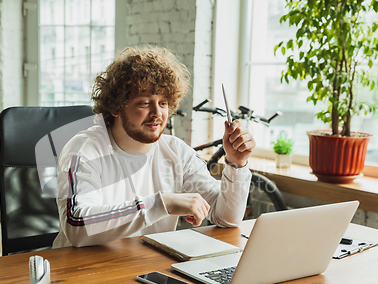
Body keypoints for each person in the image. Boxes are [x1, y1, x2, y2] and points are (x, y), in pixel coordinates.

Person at [52, 46, 255, 248]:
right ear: (115, 107)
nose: (157, 113)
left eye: (163, 103)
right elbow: (77, 226)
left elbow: (227, 218)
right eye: (144, 103)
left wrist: (236, 164)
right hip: (81, 272)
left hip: (148, 269)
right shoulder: (83, 150)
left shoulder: (177, 151)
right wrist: (162, 204)